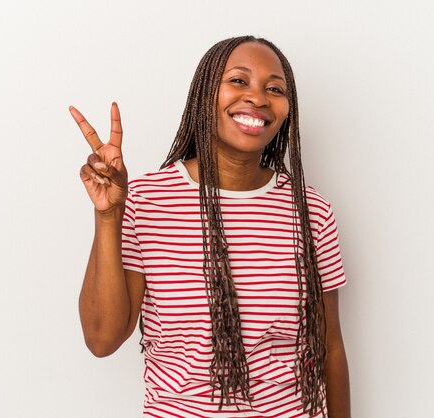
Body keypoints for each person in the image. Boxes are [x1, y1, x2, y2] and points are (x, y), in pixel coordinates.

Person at [70, 35, 350, 418]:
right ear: (205, 95)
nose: (258, 97)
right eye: (238, 80)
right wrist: (108, 217)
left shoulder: (310, 210)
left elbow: (329, 344)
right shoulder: (145, 200)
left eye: (275, 88)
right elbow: (102, 339)